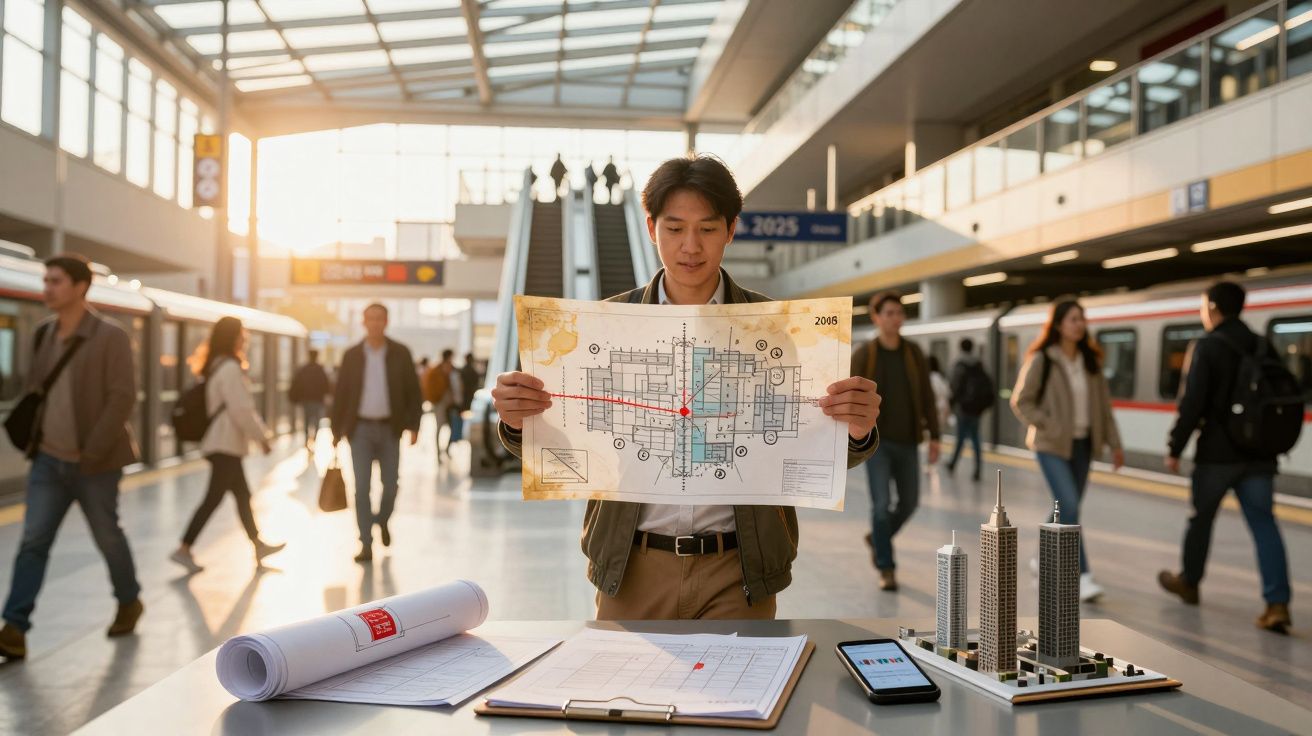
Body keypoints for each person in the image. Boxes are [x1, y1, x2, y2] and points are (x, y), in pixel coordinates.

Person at [491, 155, 880, 620]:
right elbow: (568, 440)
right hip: (631, 566)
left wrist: (856, 430)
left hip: (739, 571)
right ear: (651, 228)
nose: (690, 246)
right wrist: (519, 424)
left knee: (739, 693)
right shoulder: (600, 328)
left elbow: (816, 445)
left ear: (731, 229)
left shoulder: (778, 330)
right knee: (627, 693)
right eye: (675, 229)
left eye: (707, 229)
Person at [0, 255, 144, 659]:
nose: (47, 288)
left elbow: (122, 397)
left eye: (55, 281)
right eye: (45, 280)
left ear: (81, 287)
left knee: (107, 536)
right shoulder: (44, 333)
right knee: (33, 542)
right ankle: (14, 626)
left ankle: (129, 599)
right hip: (48, 459)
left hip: (95, 462)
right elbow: (35, 390)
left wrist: (92, 450)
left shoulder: (110, 336)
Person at [1159, 281, 1292, 634]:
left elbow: (1192, 404)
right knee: (1264, 524)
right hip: (1260, 456)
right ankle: (1277, 604)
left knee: (1200, 520)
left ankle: (1189, 582)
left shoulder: (1207, 346)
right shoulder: (1261, 343)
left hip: (1217, 455)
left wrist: (1175, 447)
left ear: (1213, 307)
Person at [1011, 299, 1123, 603]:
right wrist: (1048, 425)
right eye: (1073, 319)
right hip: (1051, 445)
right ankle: (1081, 575)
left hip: (1083, 445)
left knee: (1064, 508)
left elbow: (1104, 408)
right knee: (1070, 505)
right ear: (1059, 324)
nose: (1079, 324)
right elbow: (1021, 400)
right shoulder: (1043, 359)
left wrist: (1115, 444)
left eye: (1082, 319)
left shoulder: (1091, 363)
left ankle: (1038, 558)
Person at [170, 317, 286, 574]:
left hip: (223, 443)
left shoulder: (215, 365)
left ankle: (258, 545)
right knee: (214, 498)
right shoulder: (230, 368)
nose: (244, 338)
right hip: (224, 443)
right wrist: (262, 438)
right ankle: (184, 547)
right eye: (242, 334)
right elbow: (242, 409)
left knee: (242, 496)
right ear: (235, 337)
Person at [851, 291, 940, 592]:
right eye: (888, 313)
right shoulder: (866, 353)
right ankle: (886, 568)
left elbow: (927, 396)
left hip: (908, 440)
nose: (895, 318)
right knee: (880, 506)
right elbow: (849, 393)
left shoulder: (913, 353)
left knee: (910, 502)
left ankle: (878, 536)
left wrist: (936, 436)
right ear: (876, 317)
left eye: (899, 313)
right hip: (876, 443)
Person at [331, 304, 423, 563]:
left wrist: (415, 426)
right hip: (358, 429)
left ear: (386, 321)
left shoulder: (400, 353)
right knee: (361, 488)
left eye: (379, 318)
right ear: (363, 322)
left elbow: (413, 392)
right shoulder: (351, 355)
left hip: (390, 429)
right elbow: (340, 395)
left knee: (391, 484)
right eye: (370, 318)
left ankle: (381, 520)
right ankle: (365, 543)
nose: (374, 323)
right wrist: (336, 431)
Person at [946, 337, 993, 481]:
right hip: (976, 410)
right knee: (976, 439)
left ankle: (953, 463)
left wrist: (952, 405)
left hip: (963, 409)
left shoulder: (959, 364)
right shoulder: (979, 364)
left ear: (961, 347)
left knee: (960, 438)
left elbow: (953, 387)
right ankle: (978, 469)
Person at [423, 349, 463, 461]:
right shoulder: (436, 370)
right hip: (439, 402)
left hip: (450, 403)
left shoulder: (452, 369)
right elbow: (430, 386)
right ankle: (437, 452)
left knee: (452, 426)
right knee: (439, 427)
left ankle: (447, 448)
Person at [289, 349, 331, 449]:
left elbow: (297, 383)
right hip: (317, 400)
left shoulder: (304, 369)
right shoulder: (320, 369)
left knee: (307, 420)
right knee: (316, 420)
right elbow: (326, 384)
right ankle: (314, 439)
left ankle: (307, 439)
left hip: (306, 399)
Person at [927, 355, 951, 438]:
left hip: (935, 410)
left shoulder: (930, 378)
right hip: (942, 409)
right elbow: (948, 393)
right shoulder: (941, 377)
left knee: (932, 435)